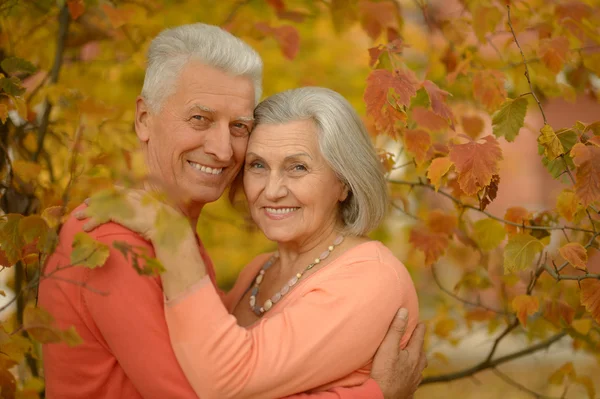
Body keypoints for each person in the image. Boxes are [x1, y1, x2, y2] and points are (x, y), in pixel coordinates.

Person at [39, 23, 427, 399]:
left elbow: (220, 372)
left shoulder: (183, 246)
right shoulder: (117, 241)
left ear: (343, 181)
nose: (223, 150)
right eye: (200, 119)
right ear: (144, 119)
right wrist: (375, 393)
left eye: (239, 126)